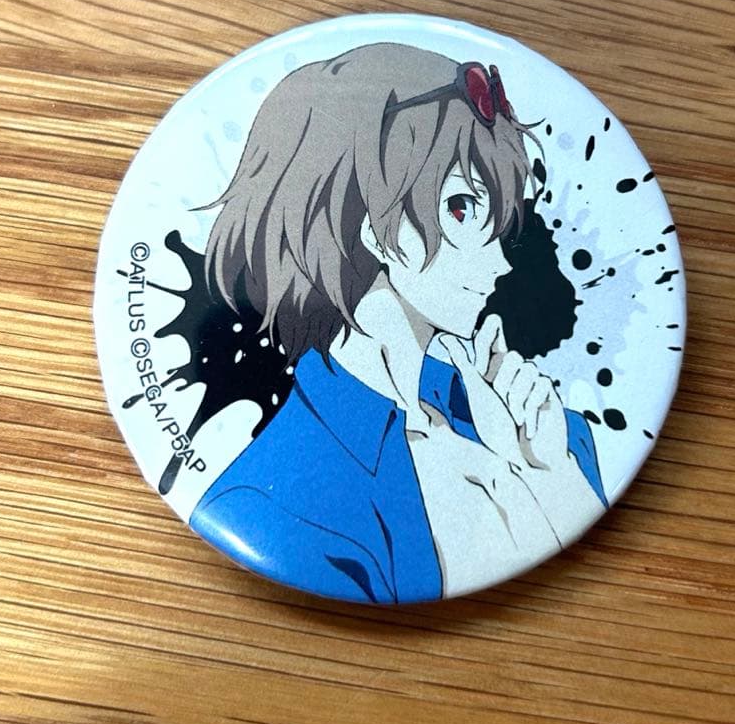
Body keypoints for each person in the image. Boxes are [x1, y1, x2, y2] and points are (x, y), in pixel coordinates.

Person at [190, 42, 606, 603]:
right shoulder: (271, 508)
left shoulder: (542, 430)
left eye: (494, 217)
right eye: (461, 209)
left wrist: (552, 474)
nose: (501, 262)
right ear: (371, 227)